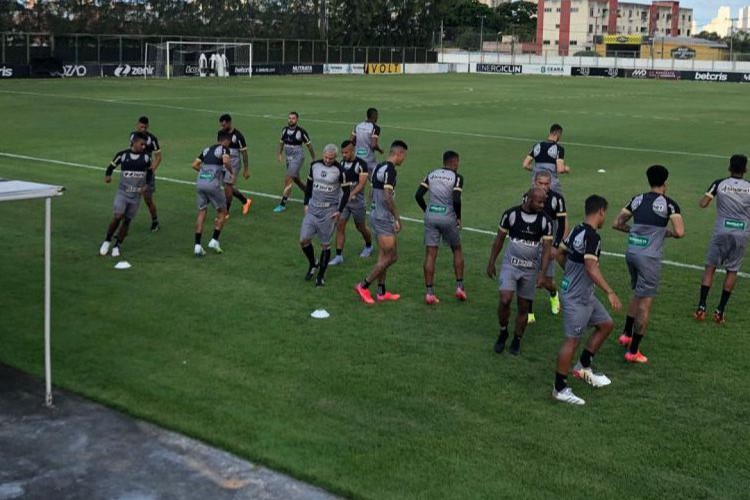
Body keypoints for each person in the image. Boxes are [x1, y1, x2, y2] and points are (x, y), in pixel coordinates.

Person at [553, 195, 622, 405]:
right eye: (605, 213)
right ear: (601, 211)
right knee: (572, 341)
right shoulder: (593, 237)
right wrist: (610, 291)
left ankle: (582, 367)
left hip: (584, 294)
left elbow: (559, 255)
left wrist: (571, 275)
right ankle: (559, 389)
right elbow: (591, 268)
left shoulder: (576, 229)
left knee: (606, 324)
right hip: (576, 298)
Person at [613, 165, 685, 364]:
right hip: (649, 259)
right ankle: (633, 351)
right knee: (646, 301)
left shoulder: (637, 199)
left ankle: (626, 334)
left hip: (631, 253)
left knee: (637, 292)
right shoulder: (669, 204)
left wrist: (635, 231)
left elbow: (617, 223)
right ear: (665, 182)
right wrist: (665, 233)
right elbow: (679, 232)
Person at [486, 188, 553, 356]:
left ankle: (517, 338)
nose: (542, 205)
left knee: (524, 306)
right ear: (529, 199)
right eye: (539, 202)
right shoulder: (510, 214)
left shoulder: (545, 221)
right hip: (511, 265)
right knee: (505, 299)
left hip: (530, 270)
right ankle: (503, 332)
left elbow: (546, 250)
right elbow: (499, 239)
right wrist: (491, 262)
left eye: (544, 202)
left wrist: (542, 274)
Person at [694, 154, 750, 323]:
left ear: (729, 168)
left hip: (721, 231)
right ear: (745, 169)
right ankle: (720, 311)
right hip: (741, 232)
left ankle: (701, 307)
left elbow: (703, 203)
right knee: (732, 270)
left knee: (710, 268)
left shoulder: (719, 183)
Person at [354, 140, 408, 304]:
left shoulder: (379, 166)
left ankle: (381, 291)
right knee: (392, 256)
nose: (403, 159)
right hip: (383, 217)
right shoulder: (390, 171)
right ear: (398, 153)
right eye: (404, 156)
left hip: (375, 214)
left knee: (384, 255)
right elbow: (387, 196)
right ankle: (363, 285)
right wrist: (397, 218)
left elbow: (371, 192)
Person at [414, 150, 467, 304]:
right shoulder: (457, 177)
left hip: (431, 217)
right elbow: (456, 200)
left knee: (431, 254)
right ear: (455, 162)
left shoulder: (431, 174)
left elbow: (418, 195)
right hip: (448, 217)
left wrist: (427, 211)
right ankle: (459, 287)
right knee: (456, 249)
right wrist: (458, 217)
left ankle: (429, 293)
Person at [299, 144, 351, 286]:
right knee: (303, 240)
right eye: (326, 157)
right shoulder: (314, 166)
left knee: (325, 245)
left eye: (331, 158)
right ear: (323, 154)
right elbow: (309, 185)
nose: (328, 160)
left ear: (336, 157)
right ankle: (313, 263)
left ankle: (320, 276)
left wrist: (339, 210)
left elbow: (347, 192)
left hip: (328, 212)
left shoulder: (340, 171)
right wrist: (306, 203)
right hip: (313, 209)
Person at [99, 133, 152, 258]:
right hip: (123, 192)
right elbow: (110, 167)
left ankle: (117, 245)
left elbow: (150, 173)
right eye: (141, 144)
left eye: (145, 144)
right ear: (134, 142)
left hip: (136, 195)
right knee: (118, 216)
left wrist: (146, 185)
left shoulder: (146, 158)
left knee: (127, 221)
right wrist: (108, 176)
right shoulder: (122, 155)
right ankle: (107, 241)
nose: (143, 147)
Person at [526, 170, 567, 324]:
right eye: (540, 183)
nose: (543, 186)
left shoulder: (558, 199)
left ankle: (553, 293)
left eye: (546, 184)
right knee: (529, 278)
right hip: (532, 242)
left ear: (551, 184)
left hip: (549, 243)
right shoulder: (528, 196)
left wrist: (556, 246)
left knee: (545, 281)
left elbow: (561, 225)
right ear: (534, 182)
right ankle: (529, 312)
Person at [329, 140, 373, 265]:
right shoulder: (341, 163)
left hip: (357, 202)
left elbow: (362, 184)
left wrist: (351, 194)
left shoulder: (361, 164)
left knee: (360, 227)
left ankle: (369, 246)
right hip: (344, 202)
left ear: (353, 151)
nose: (343, 155)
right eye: (342, 152)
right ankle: (338, 256)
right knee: (340, 226)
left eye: (346, 152)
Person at [192, 132, 233, 256]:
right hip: (212, 185)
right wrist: (232, 172)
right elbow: (226, 162)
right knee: (223, 212)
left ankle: (197, 246)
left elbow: (194, 165)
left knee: (201, 212)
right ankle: (214, 240)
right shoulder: (224, 148)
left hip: (200, 183)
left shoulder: (206, 149)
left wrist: (205, 172)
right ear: (226, 140)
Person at [274, 112, 315, 212]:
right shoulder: (284, 130)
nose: (291, 120)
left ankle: (282, 204)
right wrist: (279, 154)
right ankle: (309, 193)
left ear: (297, 120)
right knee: (296, 179)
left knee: (288, 179)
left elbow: (309, 145)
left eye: (293, 118)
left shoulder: (301, 132)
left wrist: (314, 158)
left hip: (298, 158)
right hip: (289, 159)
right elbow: (281, 143)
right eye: (289, 118)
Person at [130, 116, 162, 232]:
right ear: (137, 125)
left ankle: (155, 221)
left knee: (148, 199)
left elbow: (158, 157)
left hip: (146, 174)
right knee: (129, 197)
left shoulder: (152, 139)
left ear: (148, 126)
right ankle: (125, 222)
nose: (143, 129)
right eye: (141, 126)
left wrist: (152, 169)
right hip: (134, 173)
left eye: (145, 127)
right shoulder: (132, 136)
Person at [218, 114, 252, 216]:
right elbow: (218, 148)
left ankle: (226, 211)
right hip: (223, 162)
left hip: (234, 163)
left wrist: (246, 169)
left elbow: (244, 153)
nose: (222, 128)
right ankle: (245, 201)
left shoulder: (238, 136)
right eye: (221, 126)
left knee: (228, 186)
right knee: (227, 187)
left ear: (229, 122)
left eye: (224, 125)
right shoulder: (220, 133)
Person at [523, 124, 570, 193]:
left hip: (536, 185)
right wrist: (566, 169)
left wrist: (538, 169)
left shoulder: (537, 146)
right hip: (551, 186)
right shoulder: (559, 149)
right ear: (557, 134)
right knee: (559, 202)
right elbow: (560, 169)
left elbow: (525, 165)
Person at [351, 107, 383, 174]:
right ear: (374, 116)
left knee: (357, 179)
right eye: (377, 115)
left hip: (357, 158)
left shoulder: (358, 125)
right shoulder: (375, 128)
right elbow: (374, 145)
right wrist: (380, 150)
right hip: (369, 160)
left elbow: (351, 141)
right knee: (375, 179)